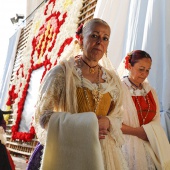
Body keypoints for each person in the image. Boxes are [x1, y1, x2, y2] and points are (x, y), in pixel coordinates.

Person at [27, 18, 128, 170]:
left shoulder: (112, 80)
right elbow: (43, 116)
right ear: (81, 39)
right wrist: (86, 125)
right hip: (72, 151)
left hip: (105, 153)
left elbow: (118, 115)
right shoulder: (62, 74)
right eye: (94, 35)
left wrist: (108, 121)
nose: (100, 41)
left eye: (105, 38)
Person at [117, 50, 170, 170]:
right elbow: (114, 121)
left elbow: (156, 119)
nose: (144, 74)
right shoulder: (119, 89)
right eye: (141, 69)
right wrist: (138, 132)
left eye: (148, 70)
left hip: (151, 144)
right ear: (129, 66)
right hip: (127, 146)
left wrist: (148, 132)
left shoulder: (150, 91)